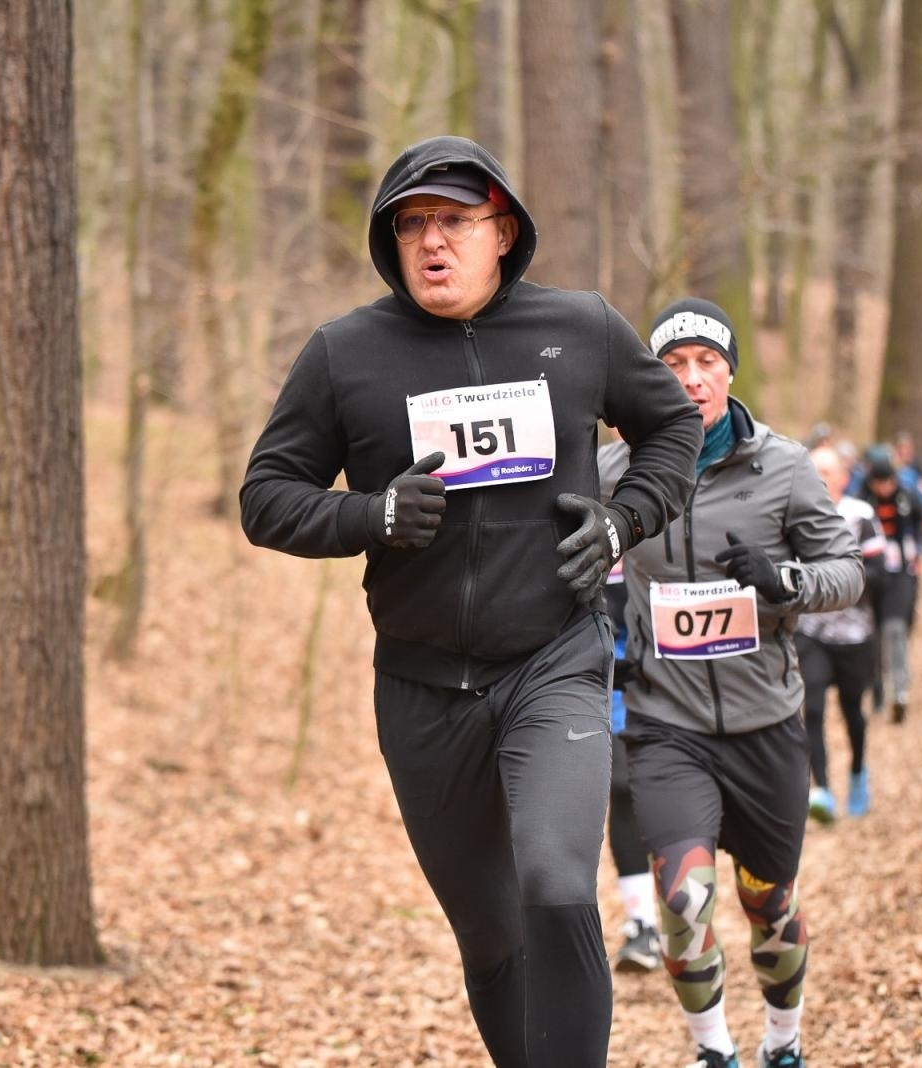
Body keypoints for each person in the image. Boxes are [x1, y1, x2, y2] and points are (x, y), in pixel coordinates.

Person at [239, 135, 703, 1067]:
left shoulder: (581, 329)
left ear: (503, 232)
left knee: (558, 880)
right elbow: (266, 498)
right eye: (412, 224)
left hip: (554, 661)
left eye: (454, 220)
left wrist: (622, 524)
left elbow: (673, 426)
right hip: (419, 692)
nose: (432, 242)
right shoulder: (345, 354)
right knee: (492, 937)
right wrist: (370, 515)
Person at [600, 298, 863, 1068]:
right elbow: (576, 567)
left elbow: (845, 573)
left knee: (768, 904)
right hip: (666, 725)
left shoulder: (782, 467)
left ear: (728, 374)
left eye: (706, 364)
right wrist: (602, 648)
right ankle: (714, 1053)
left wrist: (785, 580)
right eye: (673, 366)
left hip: (767, 726)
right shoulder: (621, 469)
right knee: (683, 902)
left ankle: (784, 1044)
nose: (691, 380)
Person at [795, 446, 886, 823]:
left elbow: (881, 574)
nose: (821, 477)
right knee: (812, 709)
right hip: (811, 630)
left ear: (844, 478)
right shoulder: (795, 513)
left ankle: (858, 773)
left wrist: (843, 583)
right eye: (814, 469)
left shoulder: (861, 516)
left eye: (828, 471)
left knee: (853, 712)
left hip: (854, 635)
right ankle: (823, 792)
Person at [604, 563, 662, 972]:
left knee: (673, 797)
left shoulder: (668, 508)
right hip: (610, 679)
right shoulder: (569, 507)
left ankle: (686, 912)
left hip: (677, 679)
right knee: (623, 790)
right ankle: (642, 922)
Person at [860, 446, 922, 724]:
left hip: (902, 573)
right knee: (873, 634)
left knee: (896, 630)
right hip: (872, 573)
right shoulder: (863, 501)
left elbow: (921, 522)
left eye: (889, 482)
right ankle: (876, 688)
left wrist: (916, 552)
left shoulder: (907, 497)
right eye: (880, 483)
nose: (885, 488)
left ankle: (900, 691)